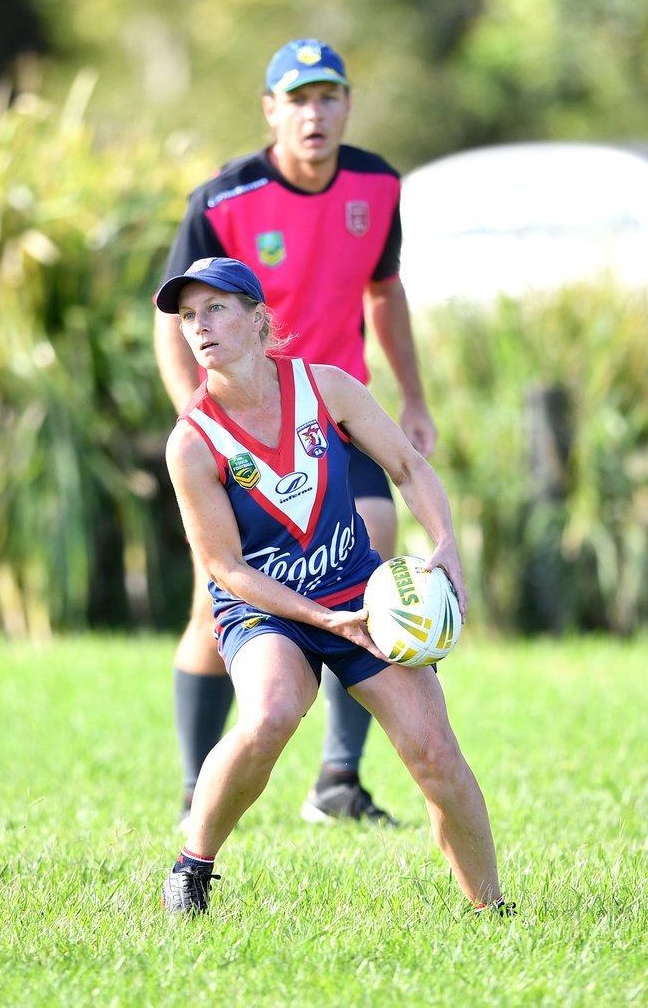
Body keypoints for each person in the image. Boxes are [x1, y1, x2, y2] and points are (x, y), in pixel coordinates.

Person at [154, 256, 511, 919]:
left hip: (360, 597)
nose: (198, 327)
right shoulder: (192, 443)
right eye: (187, 316)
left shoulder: (328, 389)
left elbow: (406, 464)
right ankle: (191, 867)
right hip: (264, 609)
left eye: (216, 309)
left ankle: (492, 912)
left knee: (436, 755)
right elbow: (226, 571)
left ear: (259, 319)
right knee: (271, 714)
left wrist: (446, 545)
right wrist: (320, 619)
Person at [154, 37, 437, 829]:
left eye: (329, 97)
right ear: (271, 110)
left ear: (347, 105)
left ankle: (339, 783)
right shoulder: (223, 199)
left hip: (334, 411)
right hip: (242, 426)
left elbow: (386, 291)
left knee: (373, 568)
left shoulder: (378, 184)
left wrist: (412, 396)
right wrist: (197, 418)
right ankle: (193, 789)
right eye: (298, 100)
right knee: (215, 608)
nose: (314, 114)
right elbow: (174, 321)